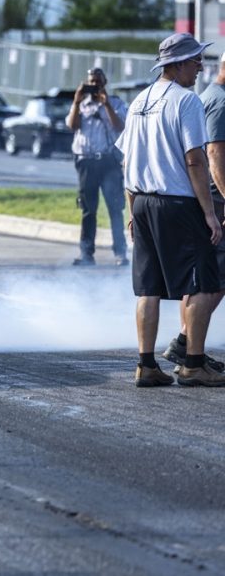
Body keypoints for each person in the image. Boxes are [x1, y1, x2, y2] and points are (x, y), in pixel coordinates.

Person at [116, 32, 225, 387]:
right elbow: (195, 160)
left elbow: (127, 160)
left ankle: (145, 364)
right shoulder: (186, 100)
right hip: (177, 202)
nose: (200, 67)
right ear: (176, 65)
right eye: (195, 60)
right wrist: (210, 213)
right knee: (201, 283)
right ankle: (193, 363)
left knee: (148, 288)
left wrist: (133, 209)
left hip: (143, 201)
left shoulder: (138, 101)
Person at [160, 51, 225, 373]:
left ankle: (188, 344)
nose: (199, 66)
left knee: (203, 278)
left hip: (210, 200)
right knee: (214, 280)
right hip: (218, 201)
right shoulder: (220, 100)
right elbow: (212, 153)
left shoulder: (209, 96)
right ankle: (187, 345)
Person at [66, 67, 128, 266]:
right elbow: (72, 125)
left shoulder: (116, 103)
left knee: (115, 208)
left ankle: (120, 253)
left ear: (105, 82)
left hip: (108, 161)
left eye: (98, 82)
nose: (94, 86)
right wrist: (77, 101)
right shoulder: (81, 104)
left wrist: (106, 104)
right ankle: (86, 254)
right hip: (86, 161)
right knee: (88, 209)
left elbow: (120, 126)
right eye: (91, 82)